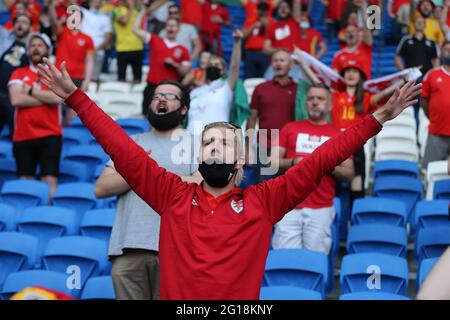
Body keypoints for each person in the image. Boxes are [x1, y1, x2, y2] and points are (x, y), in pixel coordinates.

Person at [37, 54, 421, 299]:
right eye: (208, 143)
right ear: (198, 155)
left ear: (241, 162)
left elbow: (321, 159)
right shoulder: (170, 193)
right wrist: (75, 96)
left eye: (225, 143)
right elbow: (120, 146)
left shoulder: (264, 200)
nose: (216, 148)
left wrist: (378, 119)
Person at [95, 80, 201, 300]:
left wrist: (149, 174)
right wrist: (137, 171)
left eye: (170, 96)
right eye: (156, 96)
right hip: (128, 249)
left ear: (184, 109)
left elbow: (202, 185)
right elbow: (101, 188)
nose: (161, 99)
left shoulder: (196, 144)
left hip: (177, 251)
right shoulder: (131, 143)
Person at [297, 53, 406, 202]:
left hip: (356, 143)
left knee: (357, 179)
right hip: (335, 141)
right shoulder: (334, 96)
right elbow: (317, 83)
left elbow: (386, 93)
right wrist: (303, 64)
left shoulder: (366, 97)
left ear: (360, 76)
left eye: (354, 71)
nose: (350, 74)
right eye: (347, 71)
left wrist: (403, 80)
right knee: (330, 178)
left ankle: (353, 216)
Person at [271, 84, 355, 254]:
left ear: (330, 105)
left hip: (321, 208)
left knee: (314, 263)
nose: (315, 102)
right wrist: (294, 162)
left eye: (320, 98)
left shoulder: (339, 135)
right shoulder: (290, 128)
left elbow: (349, 173)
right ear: (306, 103)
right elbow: (271, 162)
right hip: (288, 206)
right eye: (311, 99)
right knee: (284, 260)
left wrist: (327, 165)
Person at [8, 33, 63, 196]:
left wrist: (31, 91)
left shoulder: (56, 74)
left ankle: (47, 215)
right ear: (27, 50)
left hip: (50, 134)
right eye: (32, 45)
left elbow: (58, 98)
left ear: (48, 49)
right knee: (25, 180)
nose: (36, 48)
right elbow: (16, 99)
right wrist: (47, 98)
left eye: (40, 45)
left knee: (50, 179)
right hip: (23, 135)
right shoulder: (18, 73)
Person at [246, 48, 298, 182]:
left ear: (291, 65)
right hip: (264, 143)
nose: (278, 63)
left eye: (282, 60)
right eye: (275, 60)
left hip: (290, 144)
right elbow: (252, 119)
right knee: (265, 189)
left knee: (288, 187)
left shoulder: (299, 89)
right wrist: (248, 149)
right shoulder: (261, 88)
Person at [133, 8, 191, 115]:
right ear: (165, 27)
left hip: (170, 92)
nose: (171, 28)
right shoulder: (155, 40)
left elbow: (185, 72)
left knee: (167, 118)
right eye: (168, 25)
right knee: (147, 116)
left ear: (178, 29)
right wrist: (142, 11)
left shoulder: (183, 49)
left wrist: (175, 65)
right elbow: (135, 30)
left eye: (173, 26)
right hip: (152, 87)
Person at [185, 29, 242, 134]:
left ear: (223, 70)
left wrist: (237, 42)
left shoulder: (226, 88)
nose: (213, 67)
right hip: (190, 139)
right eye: (210, 65)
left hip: (216, 140)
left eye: (217, 65)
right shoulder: (194, 92)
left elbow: (234, 66)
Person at [0, 13, 31, 138]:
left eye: (24, 22)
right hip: (0, 95)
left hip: (14, 99)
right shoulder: (5, 46)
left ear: (30, 27)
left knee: (17, 136)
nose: (20, 25)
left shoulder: (32, 49)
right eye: (18, 22)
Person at [421, 40, 450, 168]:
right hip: (437, 133)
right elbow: (424, 101)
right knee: (430, 171)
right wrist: (435, 117)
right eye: (446, 49)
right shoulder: (431, 75)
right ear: (441, 53)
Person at [332, 1, 373, 79]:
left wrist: (364, 10)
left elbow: (367, 28)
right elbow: (334, 78)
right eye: (348, 32)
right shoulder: (337, 56)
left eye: (353, 32)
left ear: (359, 34)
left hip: (364, 89)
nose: (350, 33)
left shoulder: (365, 48)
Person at [80, 0, 113, 83]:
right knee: (80, 78)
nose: (97, 4)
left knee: (93, 80)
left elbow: (108, 38)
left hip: (98, 53)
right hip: (82, 52)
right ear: (90, 2)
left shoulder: (106, 18)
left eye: (99, 2)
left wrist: (95, 49)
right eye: (95, 1)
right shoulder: (82, 13)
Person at [112, 0, 144, 83]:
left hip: (137, 47)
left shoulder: (137, 10)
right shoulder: (116, 10)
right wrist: (131, 7)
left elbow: (146, 8)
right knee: (121, 79)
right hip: (122, 48)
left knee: (138, 79)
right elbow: (124, 21)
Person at [242, 1, 275, 79]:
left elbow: (275, 38)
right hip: (250, 53)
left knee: (264, 78)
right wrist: (252, 27)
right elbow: (242, 35)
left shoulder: (273, 22)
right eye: (260, 9)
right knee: (249, 78)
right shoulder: (250, 20)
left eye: (264, 10)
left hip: (264, 54)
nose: (262, 12)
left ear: (267, 11)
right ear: (256, 10)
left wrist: (268, 26)